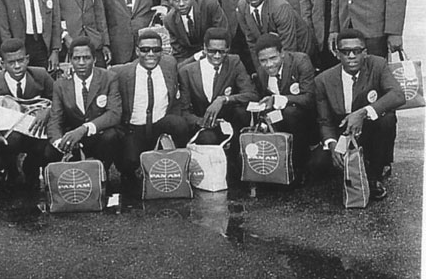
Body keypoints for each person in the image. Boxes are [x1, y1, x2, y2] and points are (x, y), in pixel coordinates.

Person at [315, 29, 404, 200]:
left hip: (369, 128)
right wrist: (332, 144)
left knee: (388, 119)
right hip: (343, 132)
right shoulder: (323, 80)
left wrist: (363, 113)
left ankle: (375, 175)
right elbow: (324, 121)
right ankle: (351, 167)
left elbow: (398, 95)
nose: (351, 56)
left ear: (365, 52)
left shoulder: (378, 65)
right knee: (318, 166)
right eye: (345, 52)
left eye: (356, 51)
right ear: (337, 54)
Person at [113, 30, 189, 194]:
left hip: (159, 124)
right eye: (145, 49)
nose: (151, 54)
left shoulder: (169, 64)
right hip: (134, 126)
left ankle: (179, 164)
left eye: (156, 50)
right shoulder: (122, 72)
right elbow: (100, 75)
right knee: (129, 163)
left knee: (180, 124)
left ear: (162, 51)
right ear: (137, 51)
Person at [178, 28, 259, 175]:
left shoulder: (234, 62)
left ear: (227, 49)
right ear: (204, 48)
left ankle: (239, 168)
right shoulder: (187, 71)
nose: (216, 56)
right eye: (211, 51)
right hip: (205, 125)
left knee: (242, 114)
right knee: (208, 139)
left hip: (230, 123)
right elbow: (183, 110)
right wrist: (200, 121)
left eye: (221, 52)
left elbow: (251, 94)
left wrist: (224, 99)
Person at [0, 38, 54, 191]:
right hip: (9, 135)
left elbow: (58, 101)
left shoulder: (41, 76)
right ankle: (12, 171)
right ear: (2, 63)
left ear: (27, 59)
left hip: (36, 130)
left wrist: (47, 111)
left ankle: (31, 168)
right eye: (11, 62)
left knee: (46, 146)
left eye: (21, 60)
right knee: (11, 139)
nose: (17, 66)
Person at [45, 37, 122, 172]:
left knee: (111, 137)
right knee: (49, 151)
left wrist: (84, 129)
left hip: (98, 134)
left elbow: (114, 114)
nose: (81, 63)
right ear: (70, 60)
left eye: (86, 58)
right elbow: (55, 119)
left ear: (94, 59)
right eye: (76, 58)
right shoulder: (60, 85)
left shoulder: (109, 78)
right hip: (73, 138)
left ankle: (102, 176)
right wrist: (60, 143)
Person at [254, 33, 316, 181]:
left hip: (305, 119)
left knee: (290, 113)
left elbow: (309, 98)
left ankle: (298, 167)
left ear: (282, 53)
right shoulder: (261, 73)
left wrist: (280, 99)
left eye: (273, 58)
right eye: (263, 60)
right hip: (278, 116)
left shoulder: (301, 61)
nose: (269, 64)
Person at [237, 0, 314, 71]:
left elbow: (288, 49)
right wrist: (263, 75)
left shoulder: (280, 8)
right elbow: (252, 43)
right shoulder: (242, 6)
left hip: (300, 51)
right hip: (272, 55)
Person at [163, 0, 229, 64]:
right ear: (170, 0)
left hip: (217, 55)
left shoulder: (210, 5)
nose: (181, 4)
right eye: (177, 0)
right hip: (191, 62)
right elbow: (179, 54)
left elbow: (223, 36)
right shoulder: (169, 20)